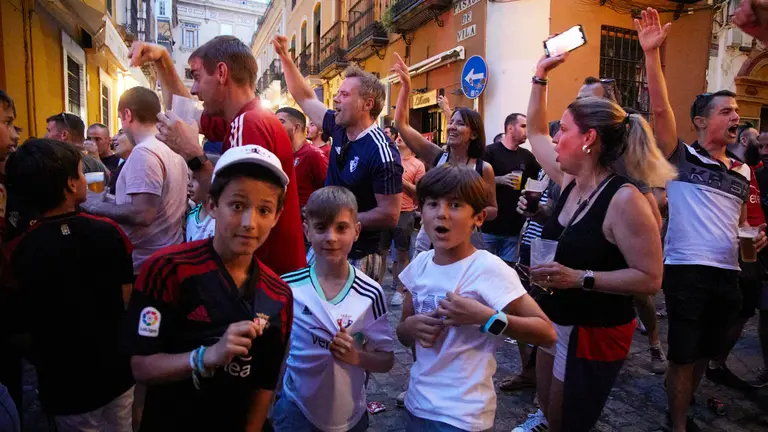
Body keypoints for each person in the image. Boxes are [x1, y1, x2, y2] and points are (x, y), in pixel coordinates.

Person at [515, 37, 676, 430]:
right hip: (556, 318)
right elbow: (535, 132)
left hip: (595, 331)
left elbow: (650, 279)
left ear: (588, 139)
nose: (555, 137)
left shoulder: (625, 199)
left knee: (569, 420)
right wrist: (539, 76)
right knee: (548, 409)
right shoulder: (571, 180)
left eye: (565, 130)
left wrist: (579, 278)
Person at [635, 8, 767, 432]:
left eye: (736, 111)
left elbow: (743, 221)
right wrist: (651, 55)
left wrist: (756, 237)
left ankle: (682, 409)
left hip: (728, 273)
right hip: (687, 270)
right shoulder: (681, 157)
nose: (736, 117)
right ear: (701, 121)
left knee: (704, 354)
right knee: (682, 356)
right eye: (726, 111)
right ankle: (677, 425)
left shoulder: (742, 171)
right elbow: (660, 110)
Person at [124, 145, 293, 431]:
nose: (250, 223)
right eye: (237, 205)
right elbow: (140, 366)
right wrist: (206, 356)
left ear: (276, 216)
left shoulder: (278, 295)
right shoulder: (168, 270)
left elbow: (264, 385)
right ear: (212, 205)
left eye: (264, 210)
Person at [128, 37, 306, 276]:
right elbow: (183, 113)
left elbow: (240, 204)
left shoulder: (249, 123)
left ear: (221, 73)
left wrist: (192, 154)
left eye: (197, 77)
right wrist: (163, 61)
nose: (194, 89)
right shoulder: (244, 118)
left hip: (265, 274)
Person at [396, 164, 555, 431]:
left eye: (455, 205)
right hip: (418, 404)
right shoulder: (420, 265)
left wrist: (486, 318)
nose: (442, 213)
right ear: (420, 210)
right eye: (432, 204)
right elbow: (403, 332)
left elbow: (546, 333)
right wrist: (410, 328)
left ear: (478, 218)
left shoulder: (488, 269)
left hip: (464, 415)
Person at [6, 139, 135, 431]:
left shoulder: (20, 248)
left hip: (64, 381)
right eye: (80, 172)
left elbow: (25, 315)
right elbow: (126, 297)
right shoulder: (109, 231)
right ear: (70, 185)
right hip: (115, 369)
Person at [273, 35, 403, 274]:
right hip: (323, 246)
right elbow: (304, 97)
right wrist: (285, 58)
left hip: (359, 255)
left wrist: (338, 220)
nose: (335, 99)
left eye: (344, 94)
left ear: (367, 104)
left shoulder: (382, 151)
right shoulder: (338, 126)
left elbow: (389, 214)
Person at [276, 186, 394, 432]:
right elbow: (278, 350)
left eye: (341, 228)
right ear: (307, 231)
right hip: (296, 409)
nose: (331, 237)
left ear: (356, 231)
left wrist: (357, 357)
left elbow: (386, 360)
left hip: (349, 416)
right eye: (321, 228)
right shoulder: (288, 287)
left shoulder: (370, 293)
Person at [391, 53, 497, 252]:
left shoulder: (483, 169)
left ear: (474, 134)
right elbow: (401, 125)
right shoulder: (438, 156)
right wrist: (405, 86)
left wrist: (466, 210)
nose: (451, 127)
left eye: (460, 124)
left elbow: (492, 209)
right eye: (451, 122)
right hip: (430, 239)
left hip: (464, 241)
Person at [81, 87, 188, 277]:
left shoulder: (144, 152)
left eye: (120, 118)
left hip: (148, 267)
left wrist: (95, 205)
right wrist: (109, 200)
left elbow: (142, 214)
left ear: (127, 115)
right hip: (167, 260)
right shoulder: (170, 148)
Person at [482, 113, 539, 264]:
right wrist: (498, 179)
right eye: (523, 126)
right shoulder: (489, 152)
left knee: (508, 269)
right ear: (510, 128)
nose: (527, 131)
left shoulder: (527, 156)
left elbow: (540, 178)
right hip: (488, 226)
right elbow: (474, 179)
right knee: (484, 269)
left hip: (513, 228)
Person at [377, 130, 425, 306]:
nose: (399, 137)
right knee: (380, 252)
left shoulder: (418, 165)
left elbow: (419, 191)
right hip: (385, 209)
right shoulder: (388, 158)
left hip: (405, 212)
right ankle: (376, 289)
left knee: (402, 252)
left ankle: (400, 289)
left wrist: (401, 180)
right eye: (399, 135)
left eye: (404, 137)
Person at [275, 107, 328, 208]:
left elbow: (329, 190)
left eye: (281, 122)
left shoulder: (313, 155)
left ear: (296, 128)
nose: (275, 126)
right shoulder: (279, 155)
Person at [43, 113, 110, 177]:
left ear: (64, 135)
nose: (45, 136)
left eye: (49, 131)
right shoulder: (96, 165)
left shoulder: (58, 164)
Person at [187, 154, 221, 242]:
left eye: (195, 178)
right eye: (189, 178)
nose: (189, 184)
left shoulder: (219, 219)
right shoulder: (191, 216)